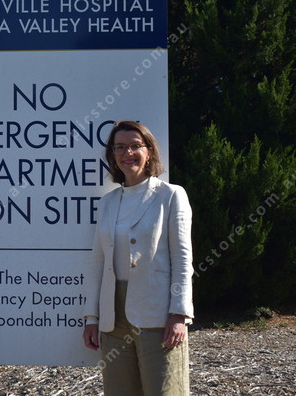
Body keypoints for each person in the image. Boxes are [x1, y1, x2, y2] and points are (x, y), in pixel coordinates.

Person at [82, 120, 194, 395]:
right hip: (113, 318)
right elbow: (97, 262)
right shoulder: (108, 202)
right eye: (120, 147)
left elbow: (182, 259)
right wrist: (91, 317)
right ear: (113, 155)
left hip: (158, 315)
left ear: (149, 151)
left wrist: (179, 313)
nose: (127, 153)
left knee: (165, 390)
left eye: (135, 146)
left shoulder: (171, 195)